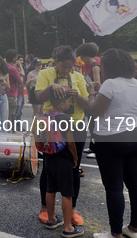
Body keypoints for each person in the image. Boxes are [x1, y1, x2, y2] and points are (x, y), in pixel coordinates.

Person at [87, 49, 137, 238]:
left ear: (109, 66)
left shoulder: (110, 84)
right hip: (136, 136)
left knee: (114, 188)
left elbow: (94, 111)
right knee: (136, 185)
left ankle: (114, 233)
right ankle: (134, 229)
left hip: (111, 139)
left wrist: (90, 94)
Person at [35, 45, 90, 227]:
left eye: (70, 66)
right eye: (64, 66)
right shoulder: (46, 74)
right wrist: (51, 87)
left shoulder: (78, 76)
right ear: (56, 62)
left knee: (75, 166)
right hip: (52, 126)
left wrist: (77, 96)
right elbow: (38, 98)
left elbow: (87, 103)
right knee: (48, 169)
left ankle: (73, 208)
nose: (67, 69)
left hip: (76, 124)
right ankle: (45, 208)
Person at [44, 92, 84, 237]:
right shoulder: (65, 119)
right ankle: (68, 228)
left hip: (49, 157)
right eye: (68, 102)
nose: (69, 104)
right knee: (67, 193)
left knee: (50, 189)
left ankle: (51, 219)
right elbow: (70, 142)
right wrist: (75, 158)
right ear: (61, 104)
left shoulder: (46, 115)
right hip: (63, 159)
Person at [76, 42, 103, 160]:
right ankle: (93, 147)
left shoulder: (95, 66)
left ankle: (98, 149)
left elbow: (97, 83)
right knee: (91, 124)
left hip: (95, 97)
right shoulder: (91, 66)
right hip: (91, 96)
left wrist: (88, 84)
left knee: (95, 124)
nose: (81, 59)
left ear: (87, 55)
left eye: (82, 56)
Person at [4, 49, 24, 124]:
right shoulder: (12, 69)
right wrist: (20, 66)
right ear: (13, 58)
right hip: (12, 94)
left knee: (4, 116)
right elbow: (20, 81)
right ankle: (8, 132)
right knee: (10, 117)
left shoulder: (4, 66)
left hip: (4, 93)